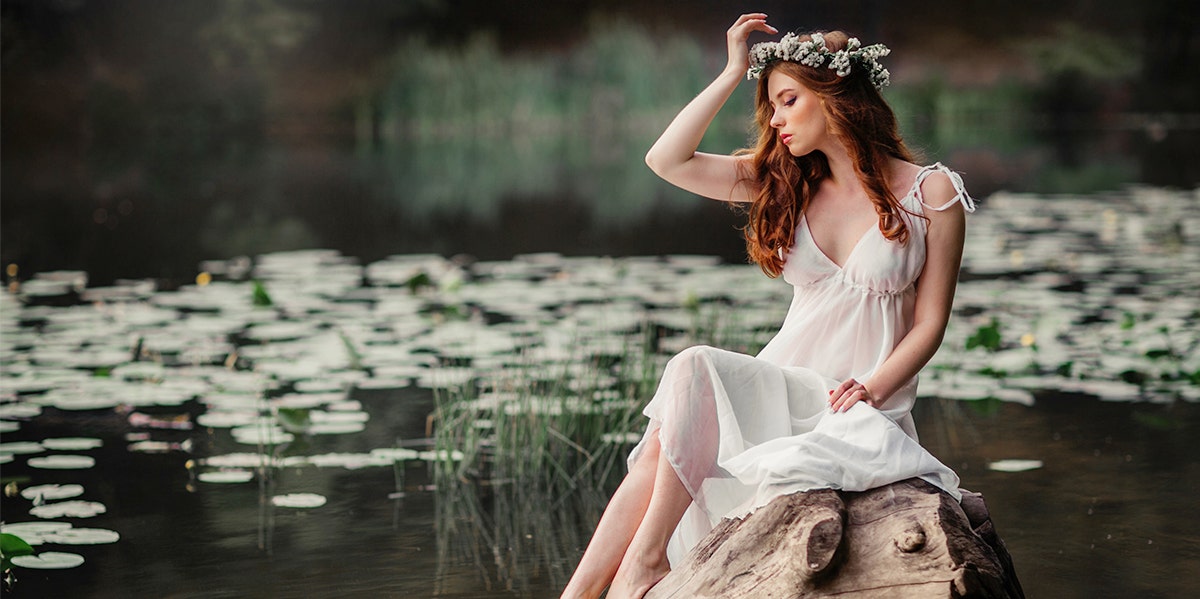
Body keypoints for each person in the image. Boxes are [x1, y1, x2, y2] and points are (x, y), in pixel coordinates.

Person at [561, 13, 973, 599]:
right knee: (674, 417)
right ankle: (605, 583)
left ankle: (639, 566)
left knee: (686, 385)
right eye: (770, 105)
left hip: (850, 398)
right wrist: (731, 70)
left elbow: (930, 323)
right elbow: (666, 160)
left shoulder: (932, 192)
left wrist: (874, 387)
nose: (775, 119)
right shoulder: (787, 182)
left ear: (836, 98)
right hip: (783, 380)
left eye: (787, 100)